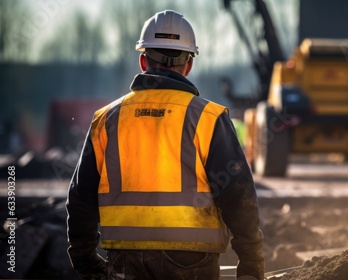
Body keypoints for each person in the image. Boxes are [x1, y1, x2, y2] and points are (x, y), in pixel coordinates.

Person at [66, 10, 264, 280]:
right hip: (192, 260)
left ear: (143, 60)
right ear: (189, 65)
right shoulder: (209, 118)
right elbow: (238, 195)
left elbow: (81, 196)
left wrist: (84, 256)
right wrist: (251, 261)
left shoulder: (107, 120)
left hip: (125, 259)